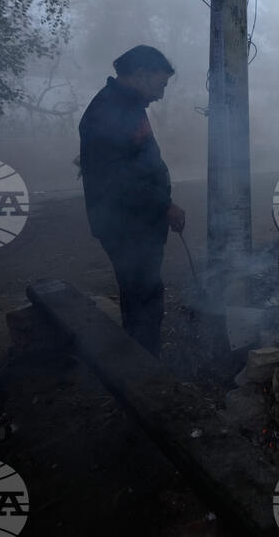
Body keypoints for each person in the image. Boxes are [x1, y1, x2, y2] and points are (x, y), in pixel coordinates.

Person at [78, 45, 186, 357]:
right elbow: (121, 180)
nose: (161, 94)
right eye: (160, 85)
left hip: (138, 221)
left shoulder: (127, 107)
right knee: (143, 297)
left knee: (143, 293)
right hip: (126, 226)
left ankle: (141, 358)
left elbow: (124, 160)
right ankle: (144, 369)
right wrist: (164, 205)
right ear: (140, 74)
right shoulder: (109, 110)